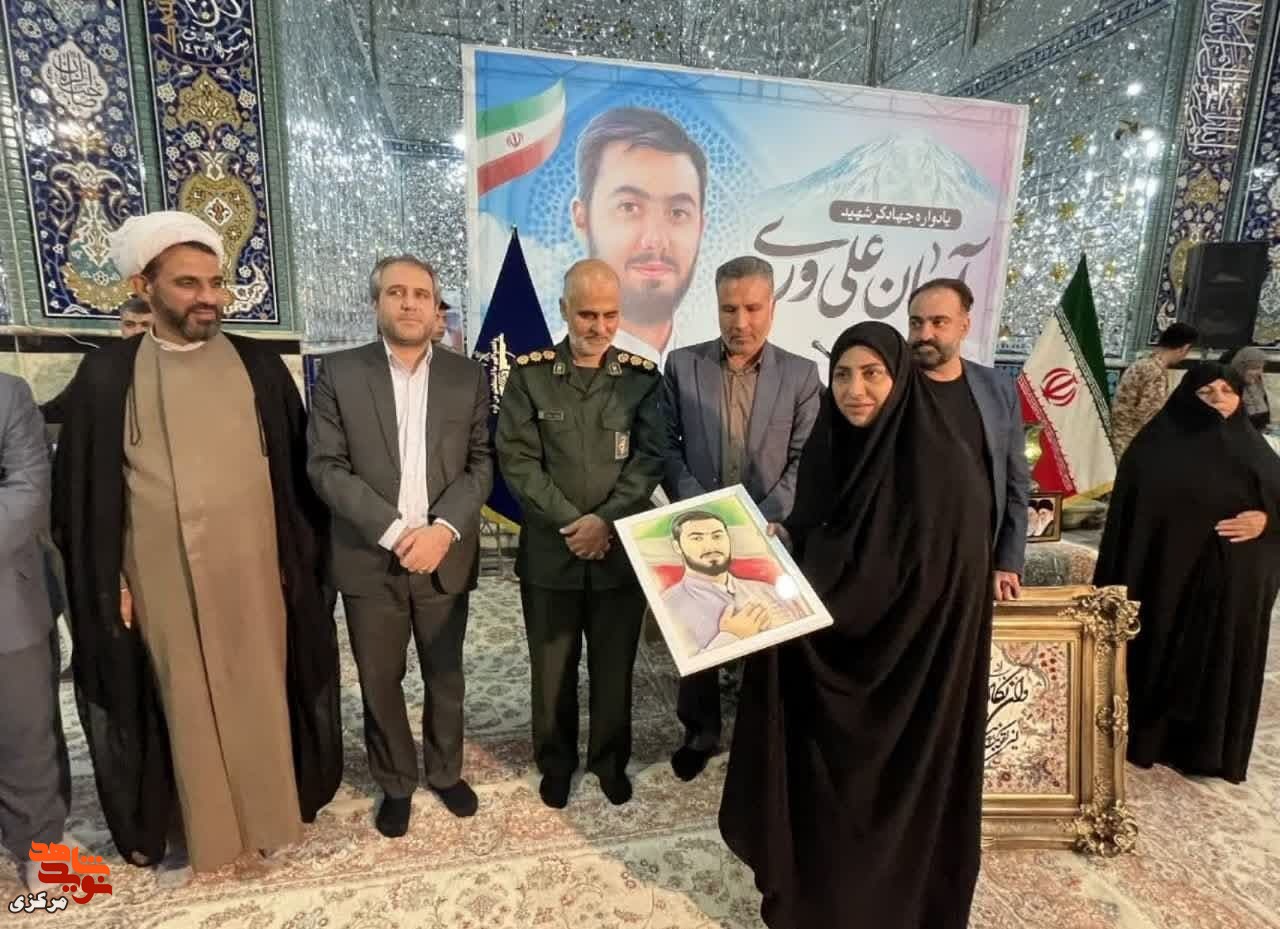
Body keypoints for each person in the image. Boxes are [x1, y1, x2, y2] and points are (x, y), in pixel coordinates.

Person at [51, 210, 342, 876]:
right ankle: (207, 828)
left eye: (215, 283)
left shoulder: (258, 364)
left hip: (254, 568)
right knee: (184, 696)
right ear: (143, 286)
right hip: (160, 576)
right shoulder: (108, 376)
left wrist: (295, 562)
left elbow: (296, 479)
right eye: (188, 283)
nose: (208, 297)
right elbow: (84, 497)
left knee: (262, 687)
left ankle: (271, 817)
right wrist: (111, 578)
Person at [720, 322, 994, 929]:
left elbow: (928, 587)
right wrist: (783, 547)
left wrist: (813, 597)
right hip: (827, 680)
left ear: (900, 381)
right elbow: (820, 533)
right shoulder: (833, 446)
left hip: (908, 689)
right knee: (822, 809)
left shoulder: (945, 470)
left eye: (872, 374)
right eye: (842, 375)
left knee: (885, 816)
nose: (854, 390)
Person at [307, 255, 492, 837]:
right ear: (376, 303)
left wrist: (443, 530)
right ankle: (395, 782)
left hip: (443, 556)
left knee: (446, 676)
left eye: (421, 294)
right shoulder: (339, 373)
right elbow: (325, 466)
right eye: (396, 292)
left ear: (437, 309)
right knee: (380, 680)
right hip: (370, 558)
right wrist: (394, 532)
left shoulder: (467, 376)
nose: (410, 303)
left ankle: (445, 771)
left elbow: (481, 463)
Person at [495, 259, 666, 809]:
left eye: (610, 314)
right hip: (553, 553)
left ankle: (610, 761)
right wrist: (575, 524)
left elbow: (650, 459)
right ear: (564, 310)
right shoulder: (530, 376)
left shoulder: (642, 379)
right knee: (552, 670)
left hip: (616, 553)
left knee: (614, 669)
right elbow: (518, 461)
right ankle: (556, 763)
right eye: (587, 314)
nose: (600, 326)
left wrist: (605, 522)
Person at [662, 254, 820, 780]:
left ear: (772, 307)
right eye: (729, 308)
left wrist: (762, 520)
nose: (741, 322)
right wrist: (702, 511)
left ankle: (760, 737)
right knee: (700, 625)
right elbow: (667, 448)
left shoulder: (801, 375)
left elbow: (804, 457)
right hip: (699, 526)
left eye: (752, 308)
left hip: (770, 531)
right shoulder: (682, 366)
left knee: (768, 639)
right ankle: (700, 733)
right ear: (716, 306)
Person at [1094, 363, 1280, 783]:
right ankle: (1150, 738)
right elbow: (1134, 518)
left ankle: (1207, 751)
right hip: (1167, 581)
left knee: (1217, 665)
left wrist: (1266, 522)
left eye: (1227, 390)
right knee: (1164, 655)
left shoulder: (1253, 446)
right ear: (1185, 397)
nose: (1218, 399)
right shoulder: (1155, 447)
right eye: (1206, 391)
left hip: (1232, 590)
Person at [906, 277, 1030, 601]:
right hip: (902, 563)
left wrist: (1008, 561)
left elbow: (1016, 482)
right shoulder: (890, 387)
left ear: (965, 326)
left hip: (973, 562)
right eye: (916, 323)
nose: (924, 334)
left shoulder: (998, 389)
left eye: (939, 322)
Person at [0, 374, 70, 894]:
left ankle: (39, 847)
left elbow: (27, 489)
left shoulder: (8, 395)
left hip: (7, 595)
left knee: (25, 733)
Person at [572, 107, 707, 366]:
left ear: (701, 227)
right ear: (582, 218)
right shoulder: (540, 372)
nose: (655, 241)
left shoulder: (712, 372)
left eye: (677, 212)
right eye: (629, 207)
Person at [660, 510, 807, 655]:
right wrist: (731, 637)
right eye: (697, 538)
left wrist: (782, 548)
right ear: (677, 547)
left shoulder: (768, 590)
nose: (710, 547)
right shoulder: (667, 604)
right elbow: (681, 663)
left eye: (717, 536)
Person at [40, 297, 152, 426]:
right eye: (130, 325)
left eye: (145, 325)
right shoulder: (100, 364)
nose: (137, 332)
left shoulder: (167, 362)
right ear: (121, 327)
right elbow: (62, 407)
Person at [1109, 322, 1199, 457]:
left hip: (1119, 439)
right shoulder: (1156, 372)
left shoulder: (1142, 363)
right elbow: (1150, 416)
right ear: (1184, 348)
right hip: (1130, 446)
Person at [1230, 346, 1271, 431]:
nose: (1260, 373)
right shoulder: (1229, 390)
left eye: (1261, 368)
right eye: (1255, 368)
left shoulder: (1258, 386)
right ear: (1240, 368)